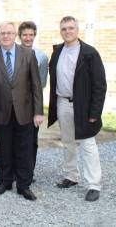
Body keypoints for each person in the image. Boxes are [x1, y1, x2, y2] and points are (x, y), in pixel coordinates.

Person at [48, 16, 106, 202]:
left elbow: (99, 85)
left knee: (88, 145)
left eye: (71, 28)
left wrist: (94, 113)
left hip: (83, 106)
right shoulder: (57, 52)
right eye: (64, 28)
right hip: (62, 102)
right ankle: (71, 176)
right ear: (60, 31)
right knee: (68, 142)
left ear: (77, 29)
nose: (67, 31)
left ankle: (93, 185)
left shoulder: (89, 53)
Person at [0, 22, 43, 201]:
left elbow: (36, 85)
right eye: (3, 33)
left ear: (15, 34)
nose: (6, 36)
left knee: (24, 150)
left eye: (9, 33)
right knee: (4, 149)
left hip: (25, 111)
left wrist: (38, 111)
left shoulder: (28, 54)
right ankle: (5, 181)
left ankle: (24, 186)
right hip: (0, 112)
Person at [18, 21, 48, 178]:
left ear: (35, 35)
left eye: (31, 35)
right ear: (20, 36)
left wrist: (37, 110)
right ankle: (15, 171)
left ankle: (29, 171)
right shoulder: (12, 52)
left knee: (31, 141)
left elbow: (41, 85)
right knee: (15, 139)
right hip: (14, 105)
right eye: (25, 35)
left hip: (31, 105)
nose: (28, 38)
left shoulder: (41, 56)